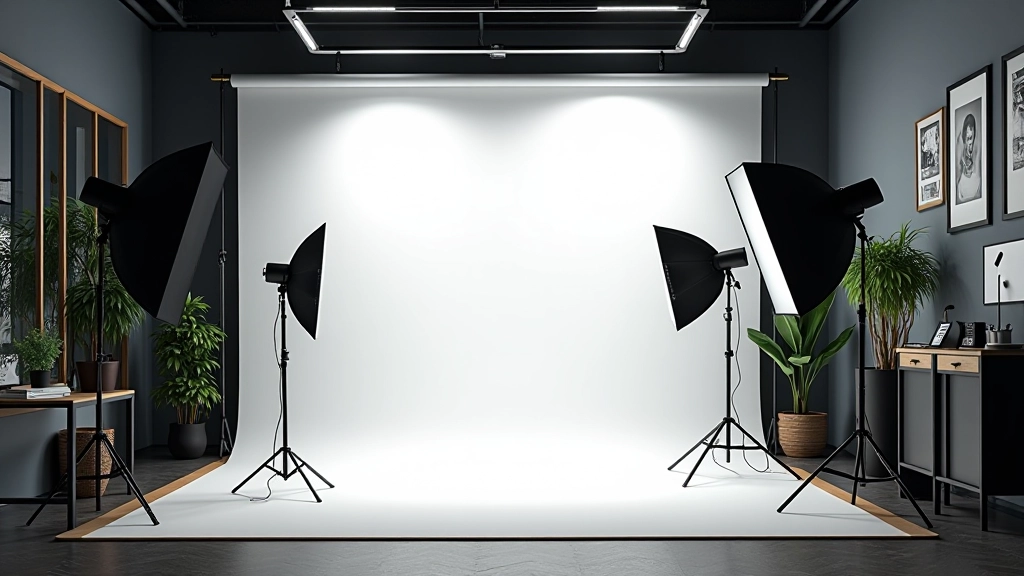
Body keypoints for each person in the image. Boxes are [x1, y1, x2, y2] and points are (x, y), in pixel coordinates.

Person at [956, 113, 981, 204]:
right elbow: (958, 166)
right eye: (967, 138)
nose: (969, 141)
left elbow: (977, 174)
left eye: (971, 137)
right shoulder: (961, 145)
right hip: (963, 184)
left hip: (973, 183)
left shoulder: (976, 147)